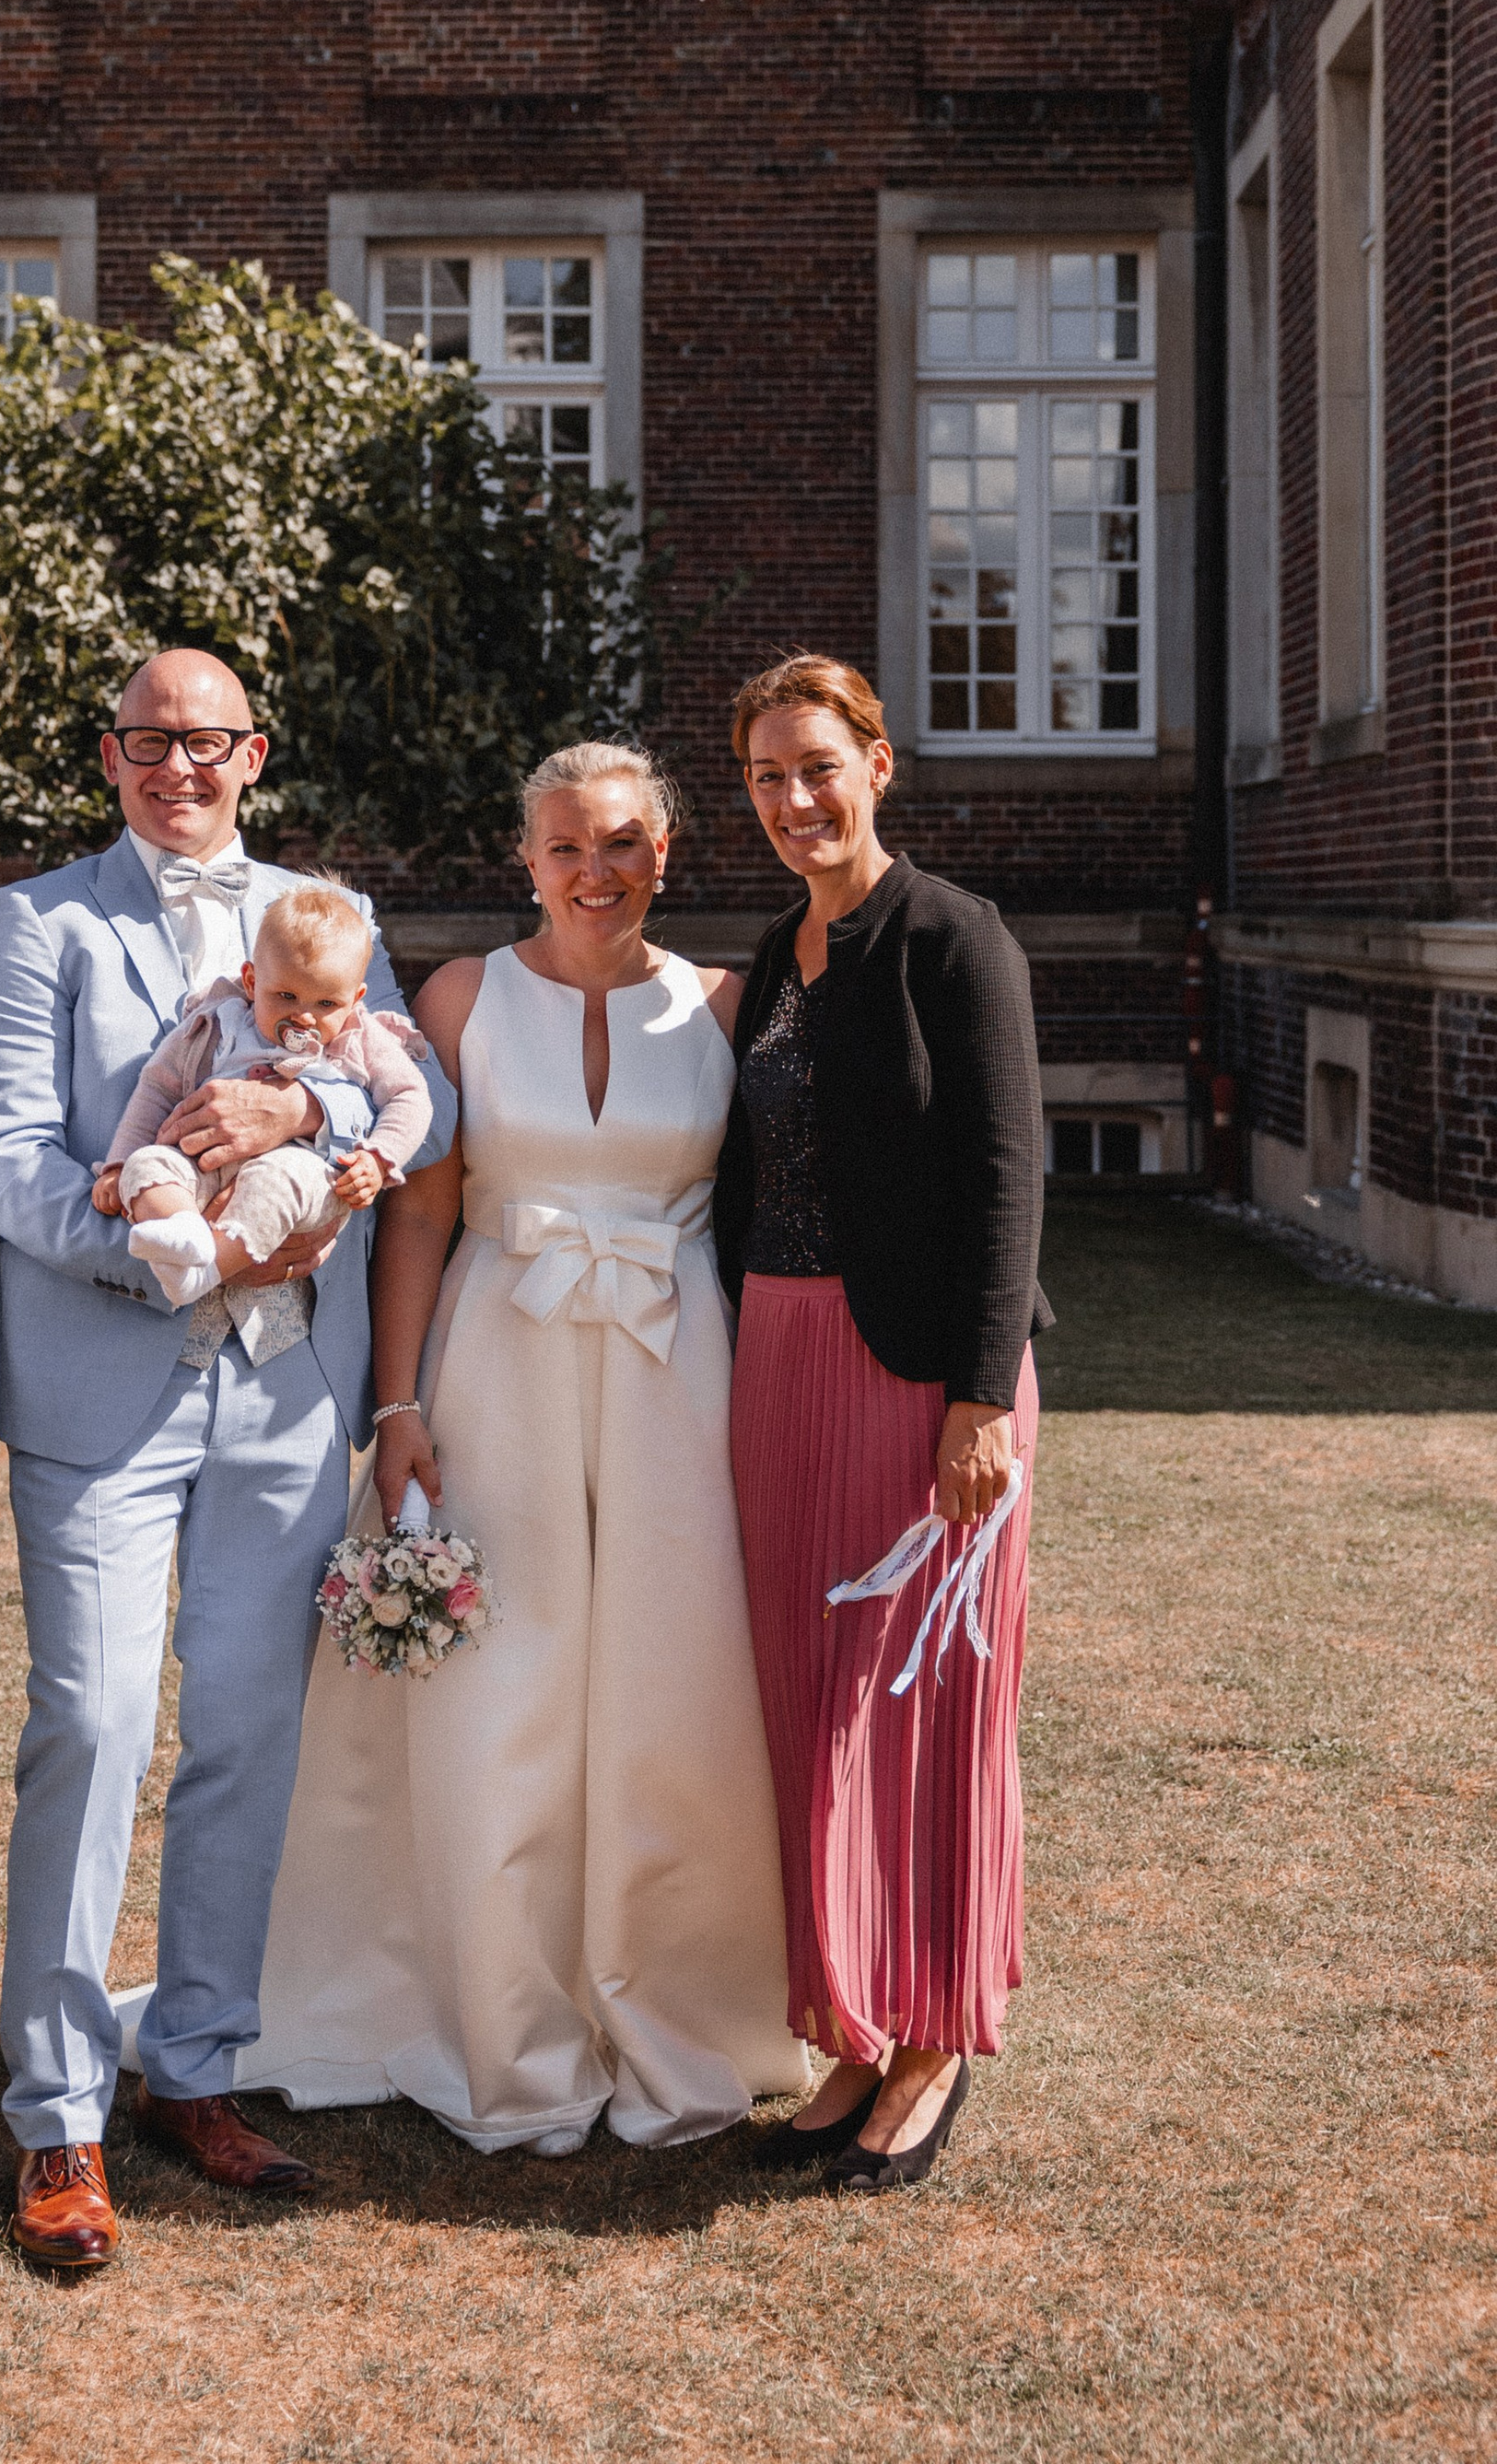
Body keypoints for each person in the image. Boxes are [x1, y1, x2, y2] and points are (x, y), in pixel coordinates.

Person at [237, 741, 805, 2154]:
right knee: (509, 1684)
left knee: (675, 1682)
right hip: (499, 1361)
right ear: (526, 860)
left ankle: (682, 1992)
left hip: (680, 1377)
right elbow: (420, 1215)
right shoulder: (458, 997)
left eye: (621, 843)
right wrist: (398, 1404)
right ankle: (499, 2005)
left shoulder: (729, 1004)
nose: (594, 870)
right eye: (565, 846)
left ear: (664, 854)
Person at [0, 651, 454, 2269]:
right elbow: (9, 1158)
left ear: (257, 750)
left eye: (210, 740)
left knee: (247, 1732)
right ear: (110, 756)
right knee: (93, 1725)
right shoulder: (41, 922)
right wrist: (159, 1237)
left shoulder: (325, 908)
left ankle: (197, 2065)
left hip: (285, 1401)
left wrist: (311, 1138)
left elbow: (415, 1091)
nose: (181, 765)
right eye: (149, 741)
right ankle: (55, 2118)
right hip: (109, 1369)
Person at [716, 651, 1047, 2195]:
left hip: (922, 1378)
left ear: (878, 764)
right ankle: (851, 2025)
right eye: (769, 777)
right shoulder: (778, 955)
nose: (796, 800)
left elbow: (1007, 1176)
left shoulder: (952, 940)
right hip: (779, 1359)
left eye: (818, 767)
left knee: (919, 1705)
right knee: (810, 1698)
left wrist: (982, 1395)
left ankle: (932, 2044)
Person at [94, 873, 434, 1304]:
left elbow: (412, 1096)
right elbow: (156, 1089)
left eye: (326, 1003)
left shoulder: (360, 1035)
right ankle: (182, 1237)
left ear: (355, 998)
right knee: (147, 1166)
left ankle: (208, 1269)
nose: (305, 1017)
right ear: (252, 982)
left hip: (304, 1171)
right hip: (203, 1164)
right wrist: (118, 1163)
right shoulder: (219, 1022)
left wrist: (378, 1157)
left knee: (274, 1181)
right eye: (286, 995)